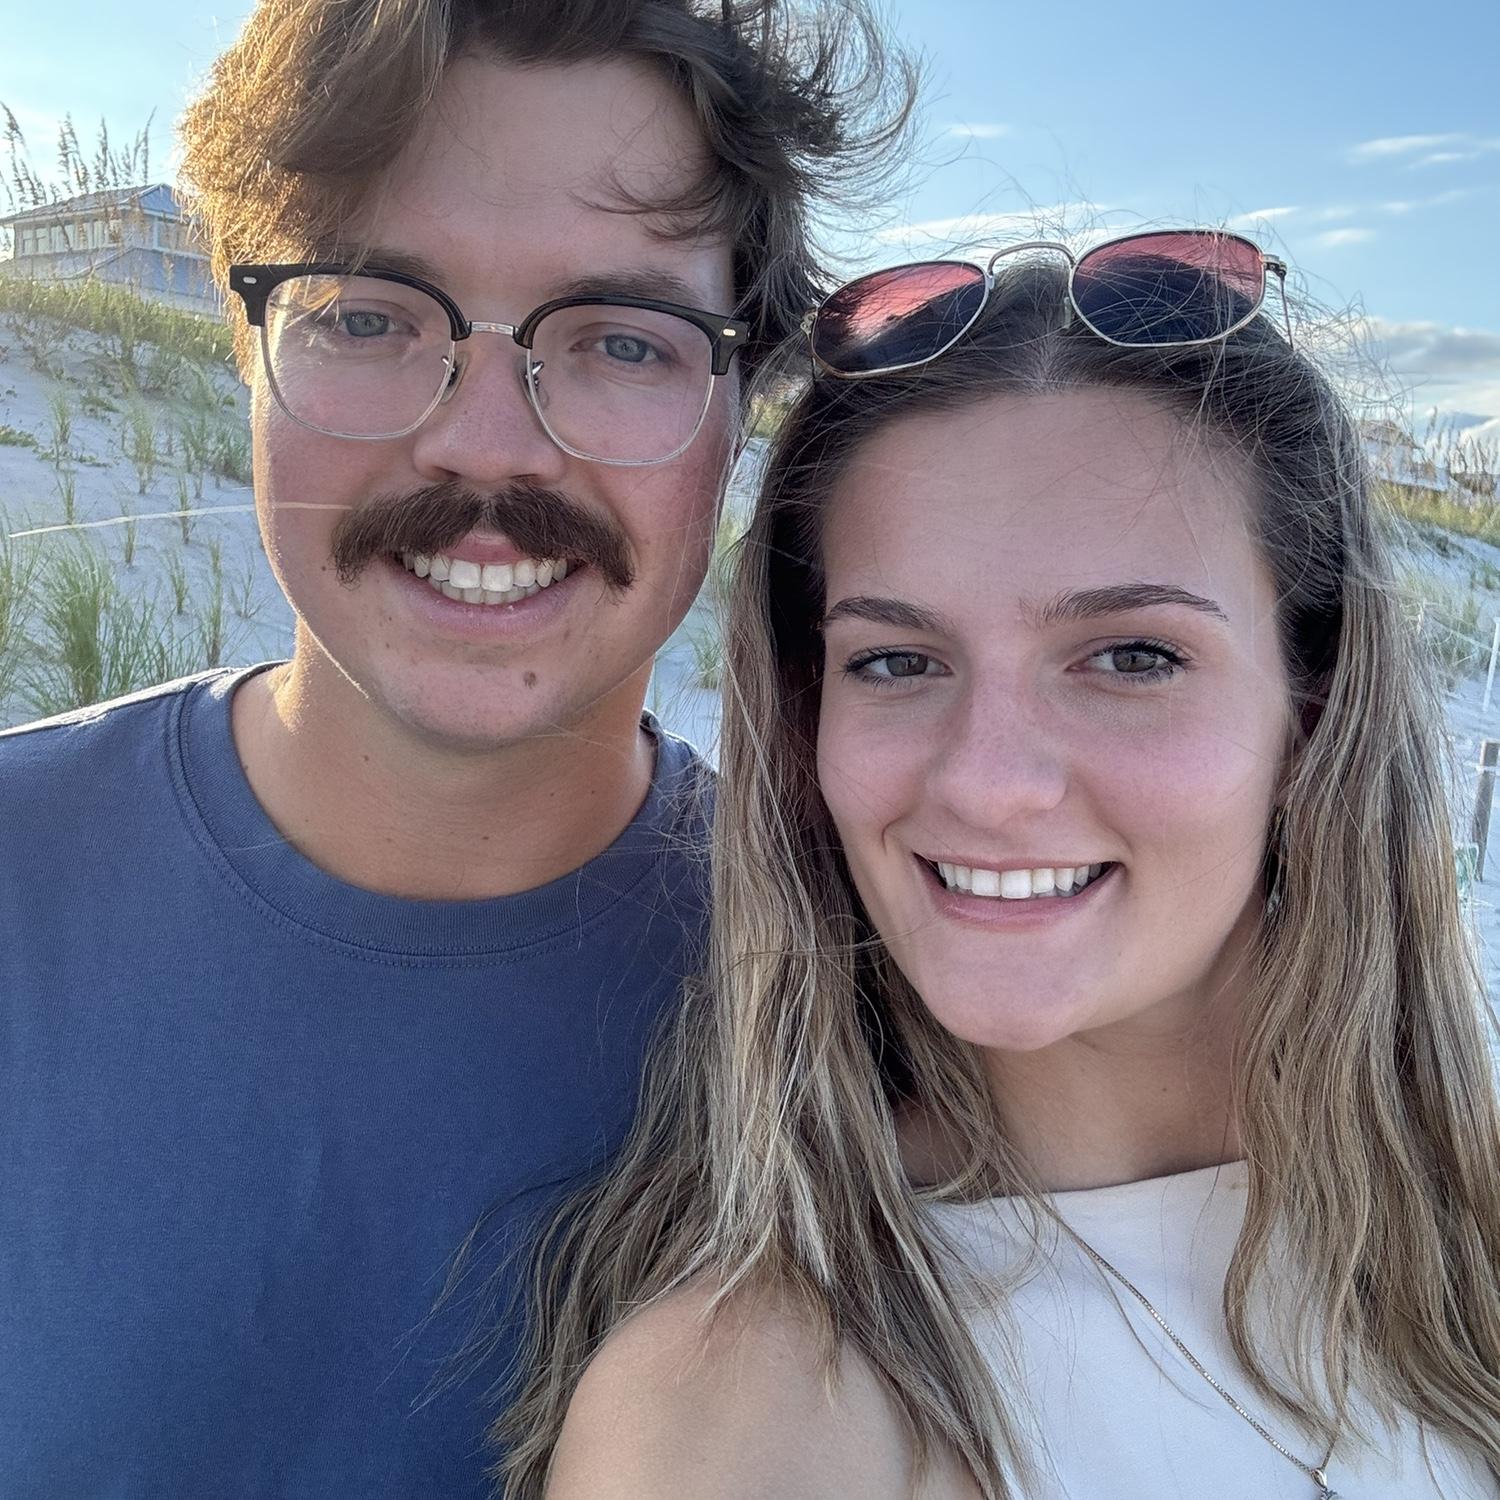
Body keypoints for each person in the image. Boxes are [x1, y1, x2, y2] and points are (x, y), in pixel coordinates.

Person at [0, 2, 913, 1492]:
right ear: (247, 344)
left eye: (623, 338)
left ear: (738, 409)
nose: (488, 444)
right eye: (369, 314)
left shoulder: (876, 996)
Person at [501, 235, 1500, 1499]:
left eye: (1131, 656)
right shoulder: (749, 1415)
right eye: (896, 661)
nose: (986, 781)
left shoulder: (1459, 1239)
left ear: (1314, 713)